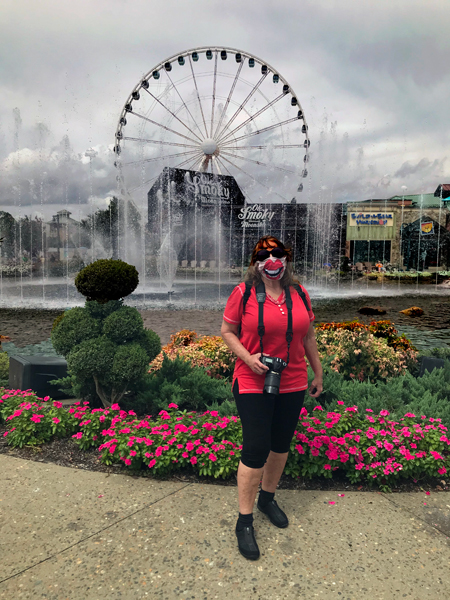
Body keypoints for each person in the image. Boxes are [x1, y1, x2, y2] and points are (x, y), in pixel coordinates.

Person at [221, 235, 323, 561]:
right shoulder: (243, 293)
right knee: (255, 447)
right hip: (253, 380)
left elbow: (308, 335)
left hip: (292, 381)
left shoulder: (299, 293)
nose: (272, 260)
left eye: (278, 254)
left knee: (280, 444)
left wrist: (317, 373)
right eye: (264, 255)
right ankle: (245, 519)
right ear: (255, 262)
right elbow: (227, 331)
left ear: (287, 258)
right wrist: (249, 358)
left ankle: (267, 498)